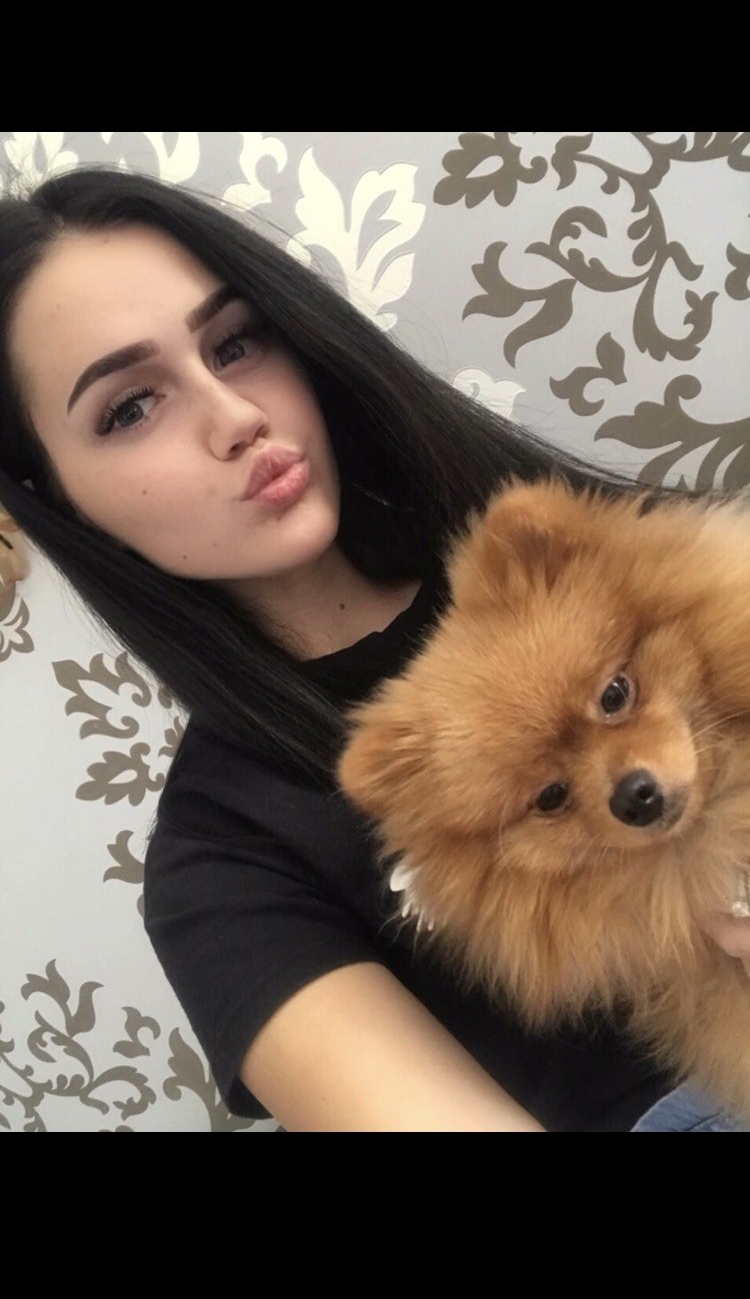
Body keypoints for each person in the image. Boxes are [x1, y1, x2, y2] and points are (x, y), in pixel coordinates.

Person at [1, 164, 748, 1133]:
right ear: (59, 498)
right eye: (130, 407)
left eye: (234, 343)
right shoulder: (219, 868)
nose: (235, 419)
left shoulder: (594, 557)